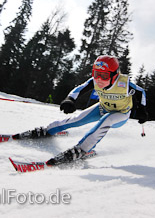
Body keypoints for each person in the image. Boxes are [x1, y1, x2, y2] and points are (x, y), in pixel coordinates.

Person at [14, 55, 147, 165]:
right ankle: (49, 130)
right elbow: (80, 88)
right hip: (102, 108)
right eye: (96, 74)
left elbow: (141, 93)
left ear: (115, 75)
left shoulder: (124, 84)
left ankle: (83, 149)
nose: (99, 79)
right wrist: (70, 99)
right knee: (77, 119)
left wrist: (142, 109)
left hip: (121, 114)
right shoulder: (95, 80)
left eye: (104, 76)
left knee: (105, 121)